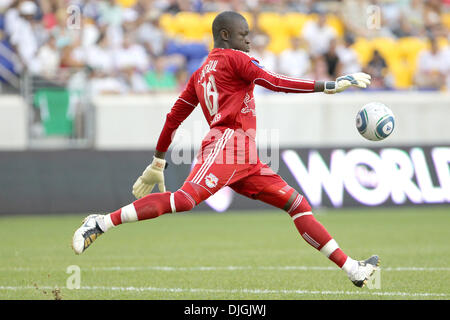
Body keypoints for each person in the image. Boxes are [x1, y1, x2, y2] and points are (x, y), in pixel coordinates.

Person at [72, 11, 378, 288]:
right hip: (227, 144)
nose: (249, 39)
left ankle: (352, 268)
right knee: (186, 199)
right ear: (225, 35)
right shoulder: (236, 60)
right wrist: (329, 85)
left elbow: (173, 117)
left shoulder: (201, 72)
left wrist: (158, 159)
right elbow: (274, 81)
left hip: (246, 157)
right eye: (243, 33)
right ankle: (100, 222)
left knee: (297, 205)